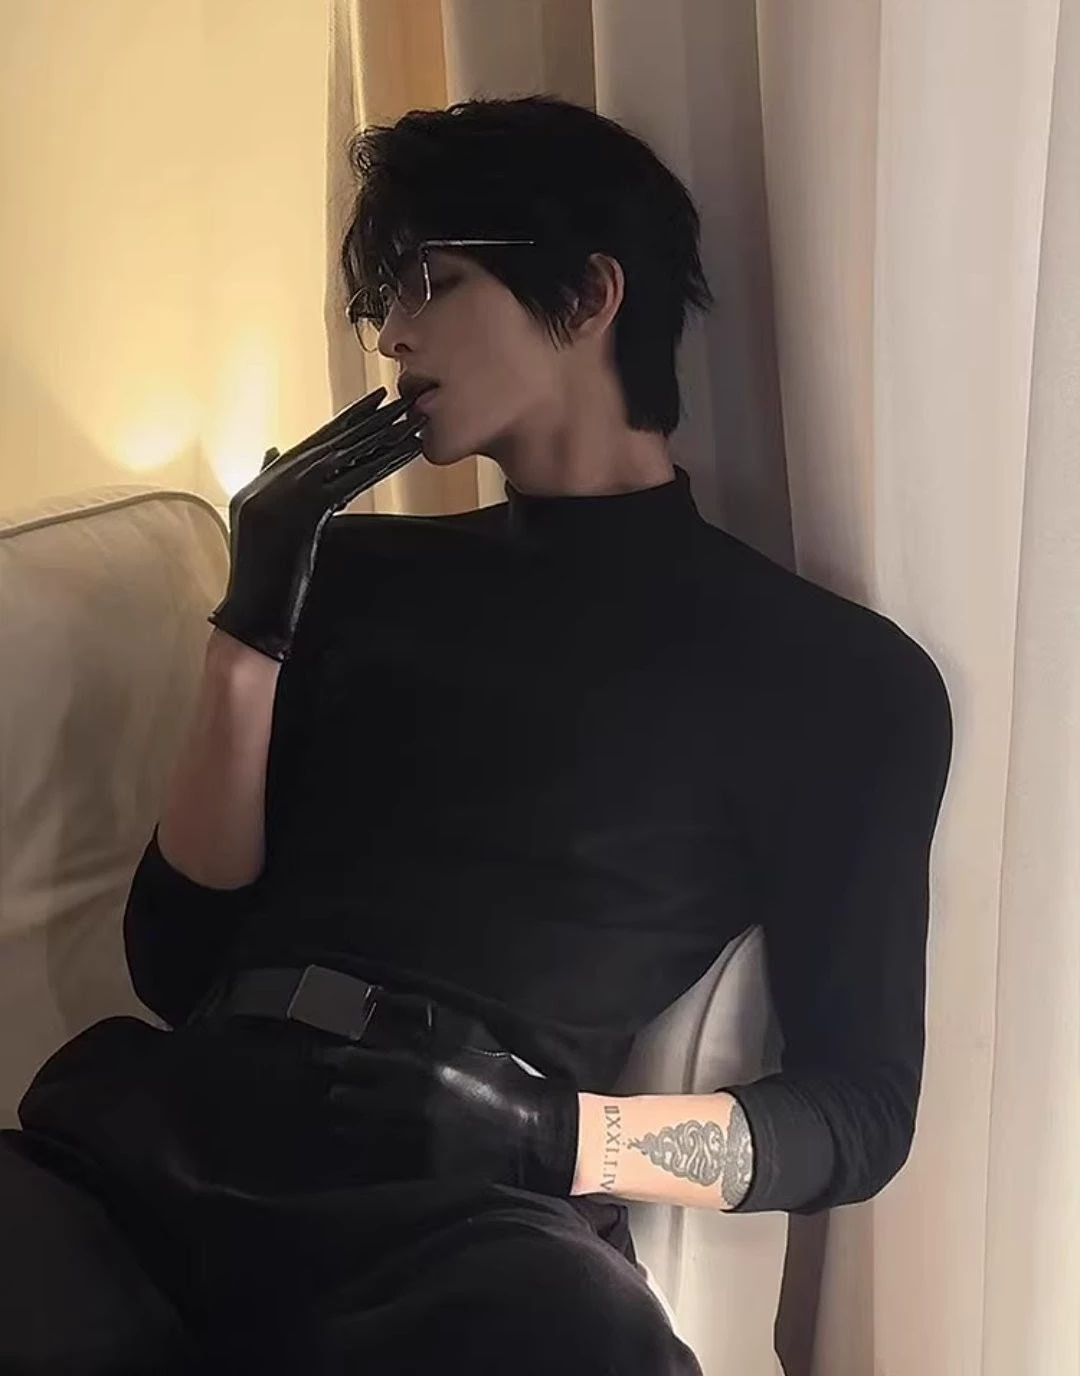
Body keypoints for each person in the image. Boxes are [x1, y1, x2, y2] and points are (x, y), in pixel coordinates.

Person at [0, 94, 953, 1374]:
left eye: (432, 281)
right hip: (164, 1149)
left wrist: (562, 1133)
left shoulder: (836, 679)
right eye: (382, 297)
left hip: (461, 1217)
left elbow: (859, 1112)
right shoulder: (356, 575)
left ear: (591, 294)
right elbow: (176, 959)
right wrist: (251, 622)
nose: (393, 332)